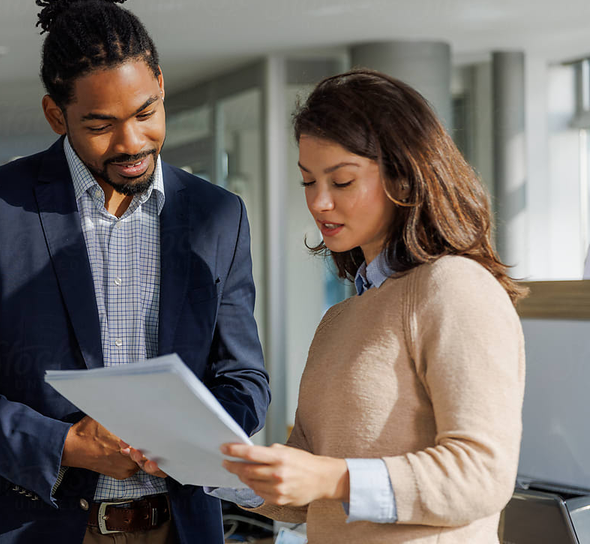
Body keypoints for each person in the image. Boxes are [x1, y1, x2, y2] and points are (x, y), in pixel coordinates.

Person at [0, 0, 270, 544]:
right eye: (100, 125)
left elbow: (243, 377)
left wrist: (193, 438)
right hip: (36, 529)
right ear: (55, 115)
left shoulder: (219, 215)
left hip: (180, 529)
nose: (131, 143)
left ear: (162, 87)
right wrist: (63, 446)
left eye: (146, 113)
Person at [217, 69, 526, 543]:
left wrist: (334, 478)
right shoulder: (339, 320)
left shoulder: (455, 288)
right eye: (307, 182)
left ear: (404, 176)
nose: (319, 202)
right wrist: (216, 469)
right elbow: (307, 491)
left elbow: (483, 476)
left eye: (341, 181)